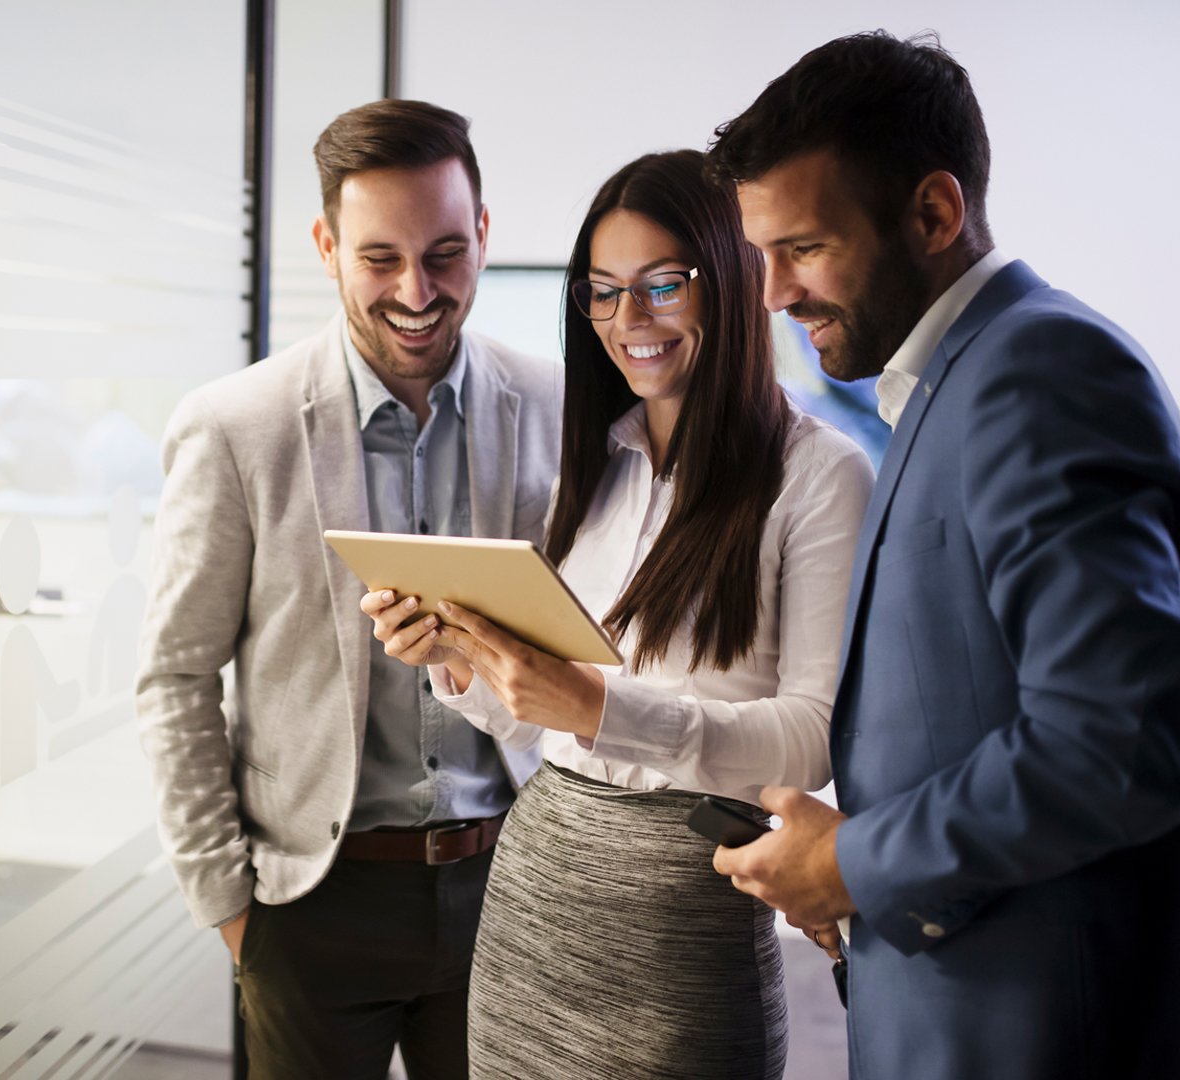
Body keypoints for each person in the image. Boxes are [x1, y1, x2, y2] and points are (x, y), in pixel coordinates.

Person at [705, 31, 1180, 1079]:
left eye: (802, 248)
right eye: (760, 255)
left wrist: (852, 862)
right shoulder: (948, 384)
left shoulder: (1037, 370)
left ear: (934, 214)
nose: (770, 295)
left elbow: (1124, 738)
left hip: (1038, 1035)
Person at [365, 150, 874, 1079]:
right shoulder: (599, 461)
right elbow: (543, 716)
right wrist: (460, 661)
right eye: (602, 293)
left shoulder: (821, 474)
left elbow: (813, 739)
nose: (626, 323)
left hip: (681, 917)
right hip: (537, 896)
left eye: (660, 287)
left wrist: (596, 707)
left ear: (730, 281)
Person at [136, 99, 562, 1080]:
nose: (417, 290)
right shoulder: (234, 427)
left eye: (446, 253)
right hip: (312, 906)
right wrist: (232, 909)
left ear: (486, 235)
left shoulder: (556, 408)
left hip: (513, 884)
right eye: (380, 259)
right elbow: (174, 678)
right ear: (326, 245)